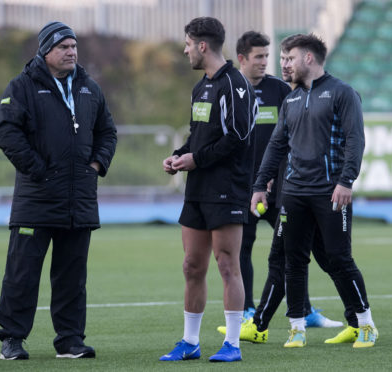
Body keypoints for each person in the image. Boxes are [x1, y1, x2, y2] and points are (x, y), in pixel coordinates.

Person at [0, 21, 117, 360]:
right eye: (63, 46)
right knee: (21, 275)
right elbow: (7, 134)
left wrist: (95, 166)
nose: (71, 52)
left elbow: (108, 132)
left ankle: (70, 340)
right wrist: (39, 170)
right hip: (36, 199)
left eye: (74, 46)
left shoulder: (89, 88)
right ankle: (12, 340)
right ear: (46, 50)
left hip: (79, 201)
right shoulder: (21, 87)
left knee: (72, 277)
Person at [251, 33, 378, 348]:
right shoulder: (291, 99)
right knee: (293, 261)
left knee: (338, 258)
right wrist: (259, 186)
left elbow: (355, 140)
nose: (284, 65)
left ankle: (365, 324)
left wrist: (347, 180)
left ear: (308, 58)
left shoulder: (342, 93)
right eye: (282, 59)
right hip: (294, 193)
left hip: (331, 192)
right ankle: (297, 329)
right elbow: (277, 146)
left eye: (289, 58)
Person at [217, 31, 345, 344]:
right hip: (243, 189)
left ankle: (305, 308)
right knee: (240, 250)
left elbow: (290, 138)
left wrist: (277, 176)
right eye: (259, 56)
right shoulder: (230, 88)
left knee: (306, 249)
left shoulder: (280, 89)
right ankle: (248, 313)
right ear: (243, 58)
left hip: (284, 188)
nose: (266, 62)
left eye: (267, 56)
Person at [159, 17, 256, 363]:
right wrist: (178, 156)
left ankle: (232, 344)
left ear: (202, 45)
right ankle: (190, 342)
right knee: (191, 266)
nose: (184, 50)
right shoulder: (201, 87)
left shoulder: (235, 85)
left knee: (228, 265)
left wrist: (195, 160)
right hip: (197, 189)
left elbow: (238, 138)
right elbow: (196, 136)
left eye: (187, 44)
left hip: (227, 189)